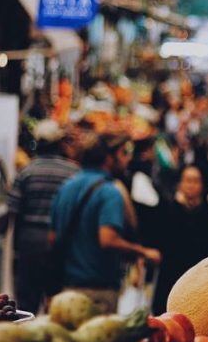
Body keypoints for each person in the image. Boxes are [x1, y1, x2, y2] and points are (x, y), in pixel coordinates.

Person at [48, 132, 161, 314]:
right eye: (123, 153)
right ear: (109, 158)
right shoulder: (109, 192)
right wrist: (143, 252)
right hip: (98, 292)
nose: (127, 160)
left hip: (67, 290)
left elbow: (52, 237)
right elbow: (108, 239)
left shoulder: (66, 187)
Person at [7, 120, 79, 314]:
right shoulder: (72, 172)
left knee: (27, 300)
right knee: (58, 299)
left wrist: (13, 248)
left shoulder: (26, 172)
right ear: (59, 144)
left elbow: (13, 210)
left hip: (30, 240)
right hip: (62, 242)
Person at [149, 166, 208, 313]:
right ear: (180, 184)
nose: (191, 185)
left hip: (201, 279)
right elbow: (155, 241)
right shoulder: (167, 208)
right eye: (188, 180)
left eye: (196, 181)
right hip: (170, 277)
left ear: (202, 185)